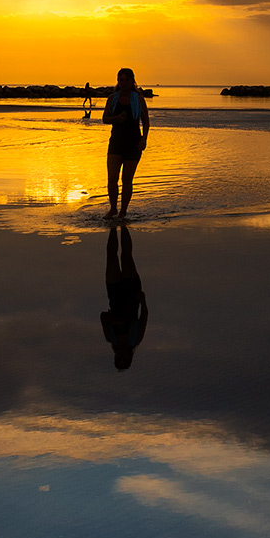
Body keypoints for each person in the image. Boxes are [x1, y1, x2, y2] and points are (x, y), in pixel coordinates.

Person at [102, 66, 148, 218]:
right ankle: (113, 208)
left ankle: (123, 211)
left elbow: (146, 122)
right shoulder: (112, 98)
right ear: (118, 81)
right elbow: (105, 119)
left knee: (127, 180)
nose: (123, 82)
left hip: (133, 143)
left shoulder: (139, 100)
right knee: (112, 179)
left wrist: (144, 139)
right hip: (116, 142)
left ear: (132, 81)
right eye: (121, 80)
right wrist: (116, 119)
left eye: (126, 80)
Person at [100, 223, 148, 370]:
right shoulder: (136, 338)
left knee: (111, 257)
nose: (121, 356)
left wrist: (114, 320)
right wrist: (143, 300)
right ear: (129, 356)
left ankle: (113, 227)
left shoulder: (110, 337)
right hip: (131, 293)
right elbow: (144, 317)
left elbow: (103, 316)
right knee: (126, 256)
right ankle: (125, 225)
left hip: (114, 293)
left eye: (118, 359)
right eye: (123, 359)